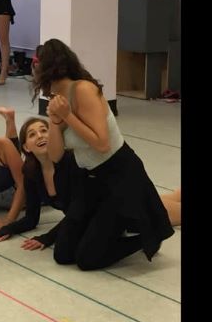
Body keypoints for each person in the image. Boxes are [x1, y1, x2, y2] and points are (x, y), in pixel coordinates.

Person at [33, 38, 174, 270]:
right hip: (91, 181)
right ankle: (115, 230)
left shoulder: (83, 89)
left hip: (120, 176)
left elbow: (101, 144)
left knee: (87, 260)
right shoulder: (57, 101)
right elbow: (56, 156)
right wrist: (55, 121)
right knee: (63, 254)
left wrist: (68, 116)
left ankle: (147, 236)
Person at [0, 117, 79, 247]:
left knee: (67, 254)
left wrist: (48, 237)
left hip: (96, 210)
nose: (40, 136)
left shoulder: (71, 161)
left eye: (44, 131)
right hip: (78, 218)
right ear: (26, 147)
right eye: (32, 134)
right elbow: (31, 218)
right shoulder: (31, 172)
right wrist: (7, 229)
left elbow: (79, 209)